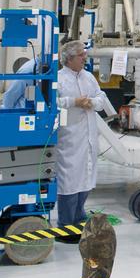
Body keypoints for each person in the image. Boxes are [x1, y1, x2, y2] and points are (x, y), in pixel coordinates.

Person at [55, 40, 115, 242]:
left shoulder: (88, 77)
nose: (85, 58)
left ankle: (80, 220)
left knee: (86, 179)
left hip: (88, 137)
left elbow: (101, 96)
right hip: (69, 139)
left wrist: (93, 102)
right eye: (81, 55)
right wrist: (74, 102)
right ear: (69, 58)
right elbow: (53, 102)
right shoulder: (59, 79)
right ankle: (65, 226)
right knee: (69, 181)